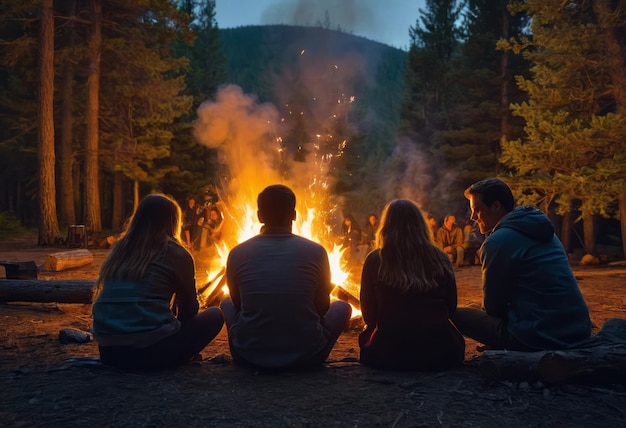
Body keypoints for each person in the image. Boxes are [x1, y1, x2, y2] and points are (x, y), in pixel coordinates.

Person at [220, 184, 352, 370]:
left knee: (225, 302)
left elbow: (237, 304)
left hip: (248, 355)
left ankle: (248, 341)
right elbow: (322, 307)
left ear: (259, 216)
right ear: (294, 215)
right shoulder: (317, 251)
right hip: (307, 356)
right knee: (342, 307)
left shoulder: (237, 253)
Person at [453, 178, 592, 351]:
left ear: (496, 206)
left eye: (477, 209)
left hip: (538, 337)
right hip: (577, 331)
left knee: (456, 312)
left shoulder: (497, 241)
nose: (473, 217)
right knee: (473, 308)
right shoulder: (542, 230)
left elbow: (494, 308)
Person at [91, 193, 224, 370]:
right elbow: (190, 309)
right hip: (152, 353)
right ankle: (176, 357)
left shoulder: (119, 250)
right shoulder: (175, 252)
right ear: (172, 222)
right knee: (215, 315)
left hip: (109, 352)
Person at [359, 199, 465, 370]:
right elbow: (451, 307)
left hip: (388, 353)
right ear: (421, 226)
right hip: (440, 352)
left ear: (386, 226)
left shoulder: (375, 260)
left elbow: (369, 316)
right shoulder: (440, 257)